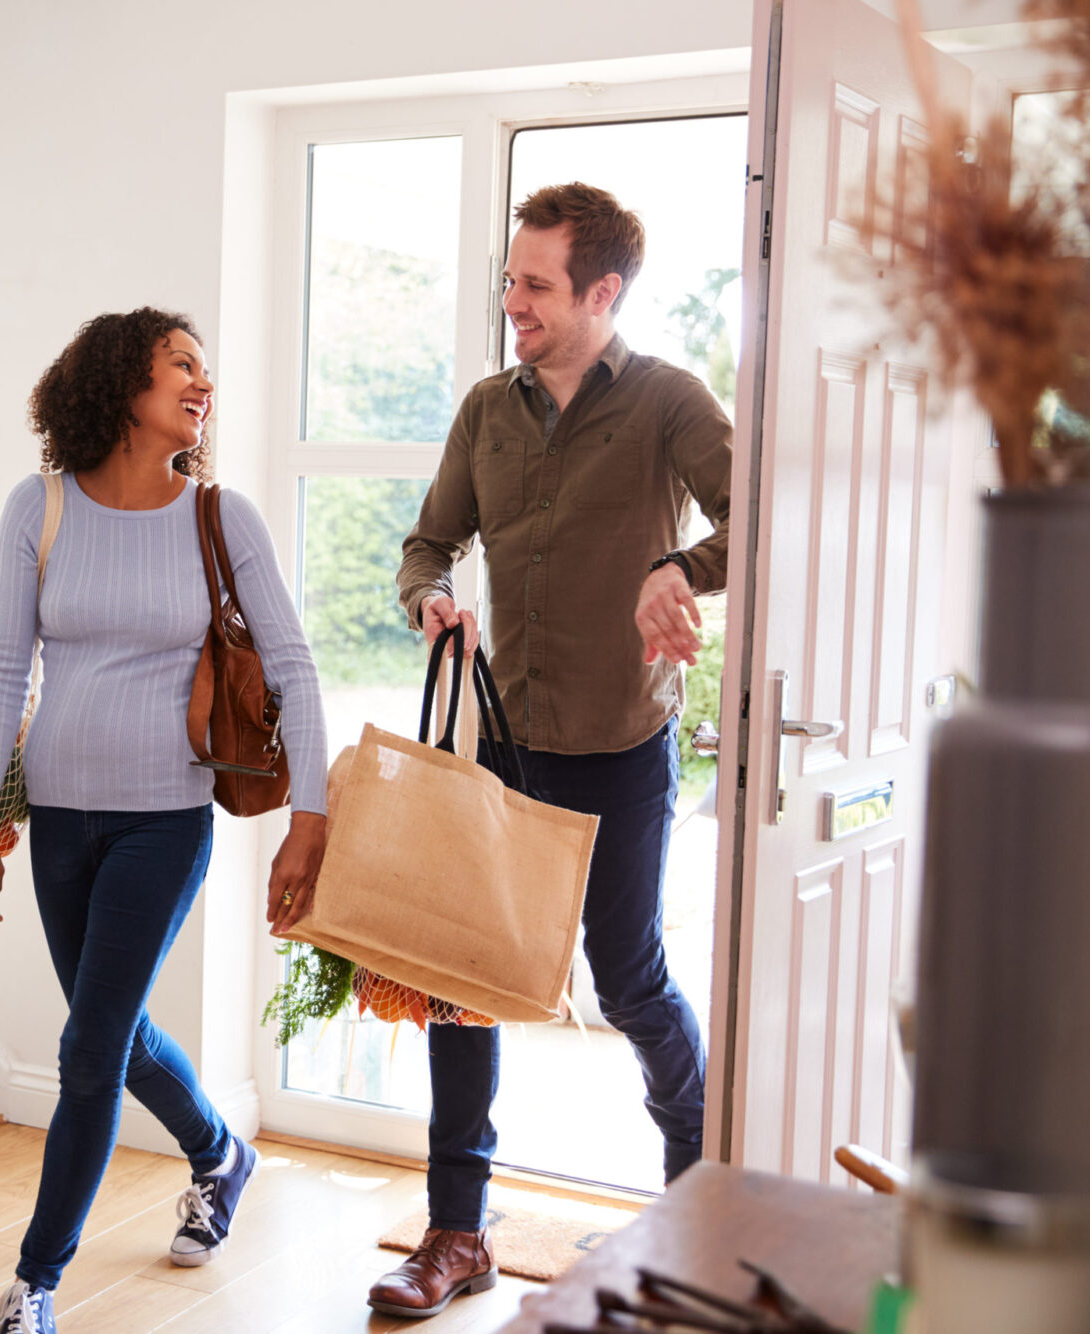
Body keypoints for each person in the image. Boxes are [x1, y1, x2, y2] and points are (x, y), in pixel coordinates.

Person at [368, 183, 732, 1319]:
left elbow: (758, 514)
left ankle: (698, 1196)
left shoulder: (668, 401)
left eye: (534, 285)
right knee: (463, 979)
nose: (511, 302)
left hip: (621, 742)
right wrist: (430, 599)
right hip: (504, 746)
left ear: (600, 292)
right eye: (508, 281)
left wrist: (681, 570)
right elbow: (428, 542)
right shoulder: (488, 408)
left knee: (628, 977)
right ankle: (456, 1230)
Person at [0, 308, 330, 1334]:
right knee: (110, 1033)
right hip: (58, 819)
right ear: (121, 381)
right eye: (181, 366)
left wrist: (309, 816)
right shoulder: (38, 507)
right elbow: (3, 668)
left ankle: (35, 1281)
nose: (202, 385)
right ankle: (220, 1152)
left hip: (163, 821)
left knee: (87, 1051)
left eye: (205, 371)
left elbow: (293, 668)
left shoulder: (220, 516)